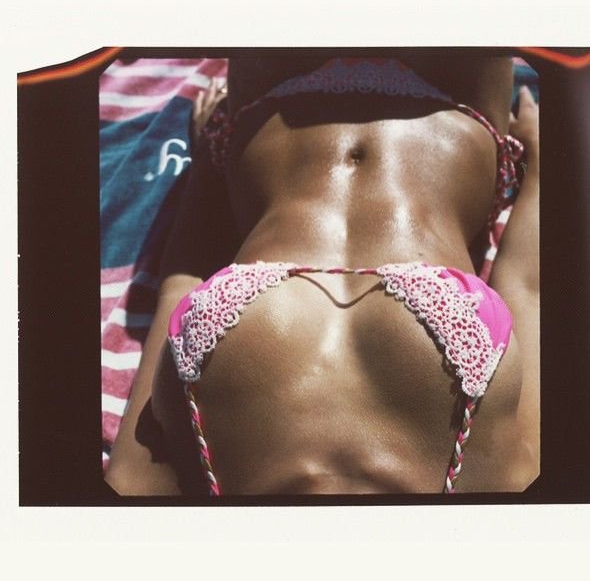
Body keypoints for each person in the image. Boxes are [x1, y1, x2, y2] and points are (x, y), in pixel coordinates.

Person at [104, 51, 539, 496]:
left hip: (302, 119)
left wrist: (207, 161)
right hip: (420, 115)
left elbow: (528, 290)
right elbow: (527, 291)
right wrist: (540, 170)